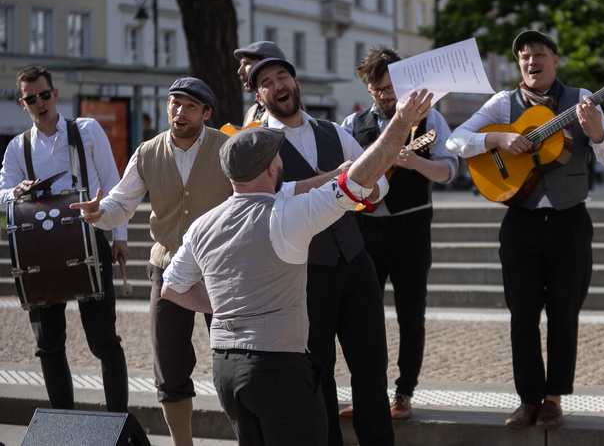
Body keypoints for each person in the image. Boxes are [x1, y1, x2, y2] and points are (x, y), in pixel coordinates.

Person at [154, 90, 432, 446]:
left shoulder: (203, 225)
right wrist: (402, 123)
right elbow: (359, 180)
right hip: (278, 369)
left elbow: (171, 289)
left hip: (225, 369)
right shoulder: (287, 217)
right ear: (272, 168)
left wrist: (226, 305)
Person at [446, 30, 604, 429]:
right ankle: (527, 399)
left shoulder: (583, 99)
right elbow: (457, 140)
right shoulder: (502, 103)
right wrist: (499, 137)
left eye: (539, 54)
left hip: (570, 222)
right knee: (522, 314)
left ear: (555, 61)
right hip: (520, 222)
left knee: (564, 313)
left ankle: (553, 398)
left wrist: (595, 131)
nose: (531, 61)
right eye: (524, 55)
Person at [72, 78, 233, 446]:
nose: (180, 111)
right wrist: (99, 214)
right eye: (174, 103)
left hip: (219, 268)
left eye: (190, 106)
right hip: (167, 266)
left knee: (234, 361)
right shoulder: (147, 152)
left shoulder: (226, 149)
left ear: (207, 113)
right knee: (169, 365)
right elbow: (121, 203)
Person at [248, 56, 394, 446]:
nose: (278, 84)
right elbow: (265, 197)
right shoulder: (257, 143)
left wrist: (368, 190)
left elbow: (376, 182)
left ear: (295, 82)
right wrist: (333, 181)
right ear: (259, 96)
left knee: (371, 369)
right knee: (318, 373)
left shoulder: (333, 130)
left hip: (356, 262)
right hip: (305, 273)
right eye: (267, 82)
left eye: (283, 76)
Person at [0, 65, 129, 413]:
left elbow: (114, 183)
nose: (39, 102)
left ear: (55, 94)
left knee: (104, 340)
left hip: (90, 240)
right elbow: (0, 194)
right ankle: (62, 422)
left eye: (44, 95)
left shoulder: (86, 129)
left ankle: (118, 420)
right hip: (40, 251)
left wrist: (119, 236)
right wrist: (15, 190)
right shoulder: (17, 147)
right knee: (48, 344)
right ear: (22, 103)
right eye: (31, 99)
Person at [339, 47, 458, 419]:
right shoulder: (350, 124)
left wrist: (417, 162)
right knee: (362, 316)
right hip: (365, 227)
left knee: (411, 312)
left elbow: (450, 170)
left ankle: (403, 393)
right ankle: (368, 393)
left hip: (411, 226)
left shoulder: (430, 117)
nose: (386, 96)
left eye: (390, 87)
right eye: (378, 90)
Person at [234, 41, 287, 126]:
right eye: (241, 64)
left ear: (267, 65)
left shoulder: (288, 103)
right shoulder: (252, 111)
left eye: (247, 63)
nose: (240, 71)